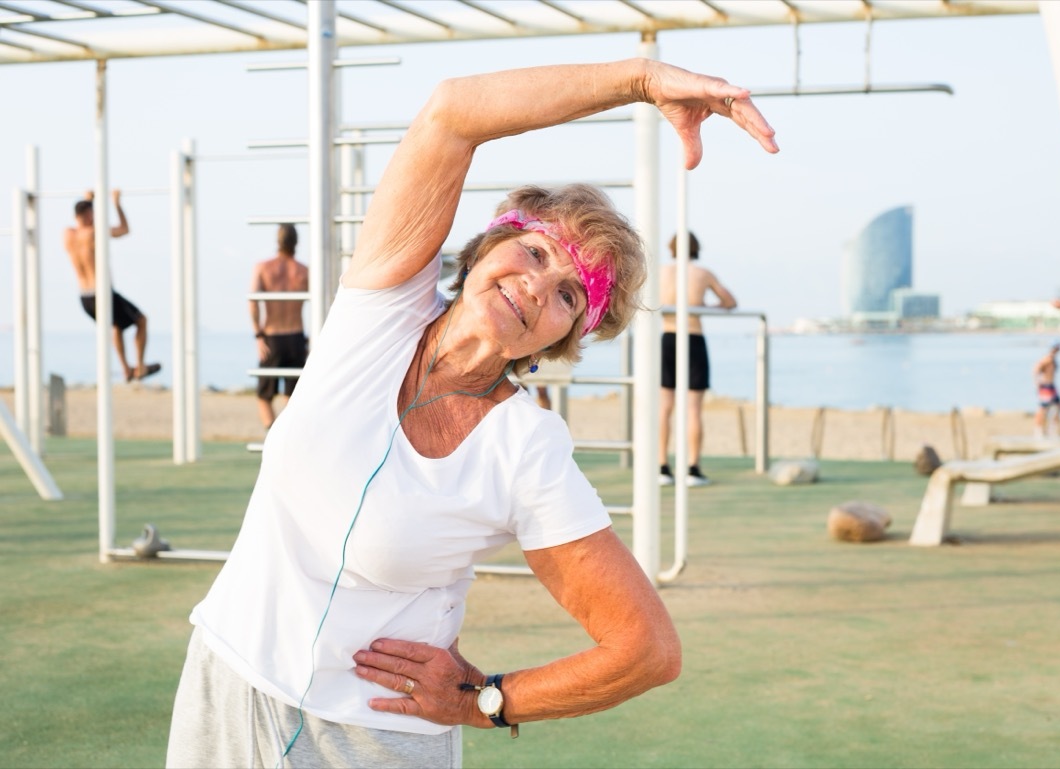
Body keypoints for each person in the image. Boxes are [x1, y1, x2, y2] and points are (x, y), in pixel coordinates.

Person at [166, 60, 778, 768]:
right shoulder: (380, 310)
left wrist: (488, 699)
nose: (535, 285)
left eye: (569, 295)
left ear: (564, 338)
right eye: (535, 251)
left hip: (370, 738)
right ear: (489, 245)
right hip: (224, 686)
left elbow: (647, 648)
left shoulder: (526, 445)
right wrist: (640, 81)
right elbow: (452, 112)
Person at [658, 231, 737, 487]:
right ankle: (693, 468)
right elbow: (729, 301)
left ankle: (662, 467)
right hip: (692, 338)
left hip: (667, 338)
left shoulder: (661, 273)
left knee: (664, 407)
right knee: (693, 409)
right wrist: (704, 308)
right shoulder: (702, 274)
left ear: (672, 248)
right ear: (695, 248)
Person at [65, 189, 160, 383]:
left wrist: (88, 201)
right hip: (101, 293)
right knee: (141, 320)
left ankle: (126, 370)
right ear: (89, 215)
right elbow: (124, 229)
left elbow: (82, 218)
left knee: (116, 325)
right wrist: (116, 204)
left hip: (84, 298)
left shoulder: (67, 235)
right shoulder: (94, 232)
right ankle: (140, 367)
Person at [249, 224, 310, 430]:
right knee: (292, 398)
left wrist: (258, 335)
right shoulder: (303, 271)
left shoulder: (263, 268)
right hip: (296, 337)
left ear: (277, 241)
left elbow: (252, 302)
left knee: (264, 396)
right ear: (297, 242)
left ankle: (272, 438)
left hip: (272, 338)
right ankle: (286, 439)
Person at [1032, 341, 1060, 438]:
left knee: (1057, 406)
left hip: (1051, 386)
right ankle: (1039, 430)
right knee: (1043, 408)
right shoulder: (1048, 359)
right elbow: (1036, 369)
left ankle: (1051, 428)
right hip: (1045, 386)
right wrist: (1038, 382)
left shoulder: (1052, 358)